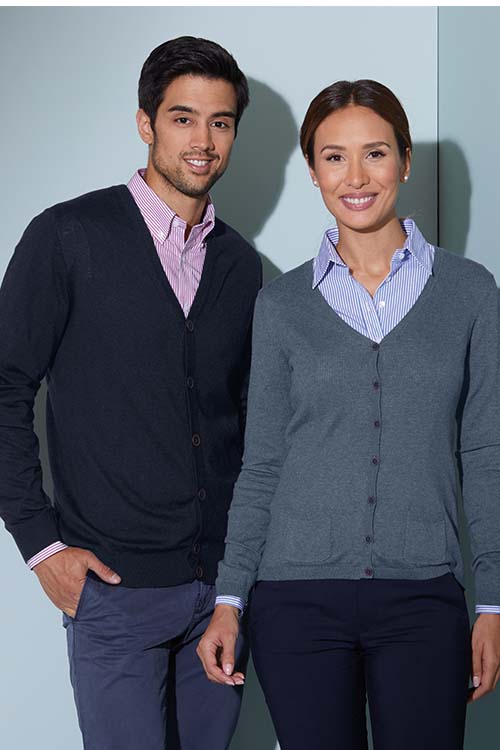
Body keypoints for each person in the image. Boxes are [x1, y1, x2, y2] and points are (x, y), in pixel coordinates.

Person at [197, 79, 500, 750]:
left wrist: (493, 600)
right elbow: (263, 462)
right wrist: (230, 598)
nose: (355, 177)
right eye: (334, 157)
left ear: (405, 160)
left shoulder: (470, 293)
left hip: (423, 595)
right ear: (313, 170)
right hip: (294, 602)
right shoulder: (281, 306)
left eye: (375, 153)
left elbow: (486, 455)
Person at [0, 36, 261, 750]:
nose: (202, 141)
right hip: (114, 591)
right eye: (182, 118)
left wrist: (243, 575)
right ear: (146, 123)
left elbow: (244, 420)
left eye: (220, 122)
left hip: (221, 596)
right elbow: (5, 385)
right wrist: (40, 545)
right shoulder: (68, 236)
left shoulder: (241, 265)